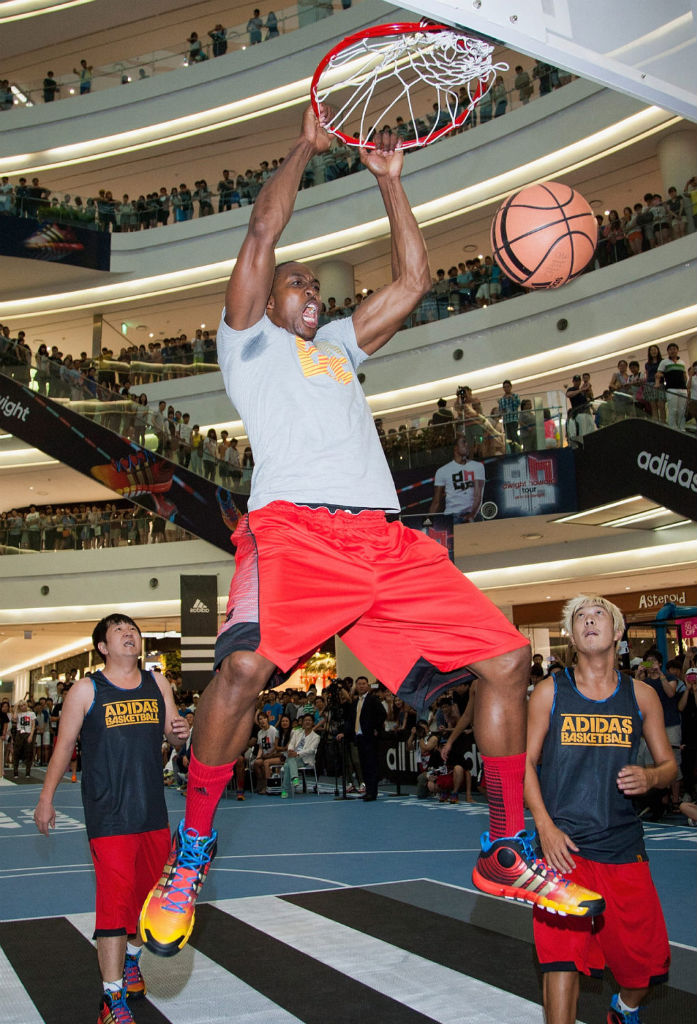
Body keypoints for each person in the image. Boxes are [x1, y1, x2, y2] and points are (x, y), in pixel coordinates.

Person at [139, 103, 602, 959]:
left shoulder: (342, 347)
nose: (310, 289)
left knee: (504, 659)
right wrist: (305, 149)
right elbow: (258, 233)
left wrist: (392, 183)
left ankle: (503, 848)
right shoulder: (246, 343)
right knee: (242, 665)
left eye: (317, 283)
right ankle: (190, 854)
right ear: (268, 297)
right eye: (297, 282)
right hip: (293, 535)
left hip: (384, 544)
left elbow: (414, 282)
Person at [525, 596, 676, 1024]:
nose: (589, 621)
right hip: (563, 849)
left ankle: (623, 1008)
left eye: (599, 615)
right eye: (580, 618)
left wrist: (651, 777)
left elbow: (669, 765)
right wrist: (545, 827)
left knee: (642, 970)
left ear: (617, 632)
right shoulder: (550, 692)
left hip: (623, 846)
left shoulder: (641, 695)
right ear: (571, 637)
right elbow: (524, 764)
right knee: (560, 960)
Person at [34, 614, 189, 1024]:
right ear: (103, 647)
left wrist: (180, 731)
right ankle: (111, 999)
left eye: (133, 630)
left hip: (152, 812)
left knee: (146, 904)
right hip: (109, 816)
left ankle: (132, 962)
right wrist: (46, 798)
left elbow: (174, 736)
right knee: (113, 907)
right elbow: (64, 745)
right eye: (119, 631)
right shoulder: (87, 690)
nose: (129, 634)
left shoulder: (157, 683)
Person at [336, 676, 386, 801]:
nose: (361, 686)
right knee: (363, 765)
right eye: (359, 684)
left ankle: (372, 792)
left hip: (369, 737)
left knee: (371, 765)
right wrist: (345, 733)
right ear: (356, 686)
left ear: (367, 686)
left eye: (364, 683)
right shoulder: (356, 702)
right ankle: (368, 790)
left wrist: (376, 728)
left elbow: (382, 714)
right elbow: (351, 720)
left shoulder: (373, 699)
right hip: (359, 737)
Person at [429, 434, 485, 523]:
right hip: (452, 516)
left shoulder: (477, 467)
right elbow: (436, 501)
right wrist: (428, 522)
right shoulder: (442, 471)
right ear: (455, 448)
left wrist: (471, 516)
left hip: (472, 514)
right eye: (463, 442)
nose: (467, 445)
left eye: (467, 442)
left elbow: (478, 496)